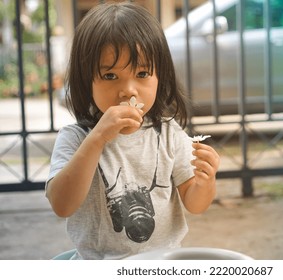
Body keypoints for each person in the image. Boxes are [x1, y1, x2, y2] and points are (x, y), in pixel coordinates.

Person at [46, 2, 220, 260]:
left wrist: (206, 181)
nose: (128, 89)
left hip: (162, 263)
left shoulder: (169, 134)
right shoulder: (76, 138)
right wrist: (97, 139)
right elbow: (62, 205)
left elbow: (195, 204)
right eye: (110, 76)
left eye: (142, 73)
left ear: (160, 77)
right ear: (86, 80)